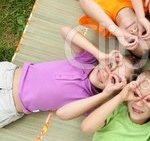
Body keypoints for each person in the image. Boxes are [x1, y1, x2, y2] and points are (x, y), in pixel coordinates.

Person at [0, 26, 139, 128]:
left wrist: (105, 95)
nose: (105, 74)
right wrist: (99, 55)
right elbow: (65, 31)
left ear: (116, 89)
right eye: (109, 66)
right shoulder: (85, 60)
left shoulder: (89, 101)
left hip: (10, 105)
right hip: (8, 74)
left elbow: (62, 114)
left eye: (113, 79)